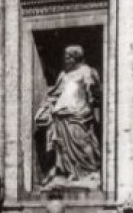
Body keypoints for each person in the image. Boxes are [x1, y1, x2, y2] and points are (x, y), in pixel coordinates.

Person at [34, 45, 102, 183]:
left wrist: (92, 89)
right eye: (65, 56)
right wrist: (46, 106)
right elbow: (55, 94)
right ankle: (70, 171)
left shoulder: (87, 71)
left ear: (75, 58)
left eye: (68, 57)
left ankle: (90, 169)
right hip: (61, 115)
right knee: (62, 146)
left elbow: (94, 92)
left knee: (82, 141)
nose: (65, 59)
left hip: (79, 114)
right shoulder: (63, 75)